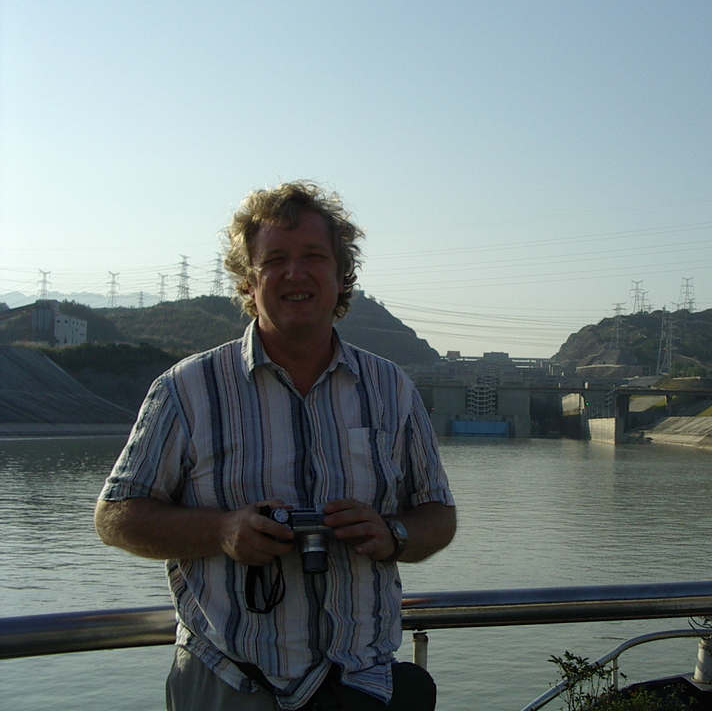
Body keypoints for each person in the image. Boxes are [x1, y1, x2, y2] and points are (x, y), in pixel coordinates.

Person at [95, 181, 456, 711]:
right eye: (275, 260)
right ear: (248, 278)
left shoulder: (390, 387)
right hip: (228, 683)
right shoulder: (187, 389)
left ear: (342, 275)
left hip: (361, 685)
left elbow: (438, 514)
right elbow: (114, 517)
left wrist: (392, 534)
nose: (295, 273)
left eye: (314, 256)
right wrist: (221, 531)